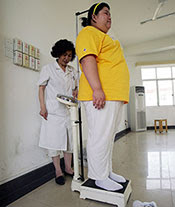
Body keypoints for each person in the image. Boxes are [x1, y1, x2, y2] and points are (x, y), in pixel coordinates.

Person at [76, 2, 130, 191]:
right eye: (105, 13)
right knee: (100, 136)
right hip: (101, 95)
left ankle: (106, 171)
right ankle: (99, 176)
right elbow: (87, 59)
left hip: (114, 95)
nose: (109, 17)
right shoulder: (88, 33)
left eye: (110, 14)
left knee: (108, 137)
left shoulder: (106, 38)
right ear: (93, 17)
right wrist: (97, 89)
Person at [38, 39, 78, 185]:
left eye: (69, 56)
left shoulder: (72, 71)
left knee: (69, 142)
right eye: (64, 55)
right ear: (58, 54)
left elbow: (75, 88)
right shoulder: (48, 69)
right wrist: (43, 107)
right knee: (54, 144)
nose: (66, 58)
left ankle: (68, 168)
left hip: (68, 112)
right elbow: (41, 88)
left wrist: (76, 91)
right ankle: (58, 171)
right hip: (53, 112)